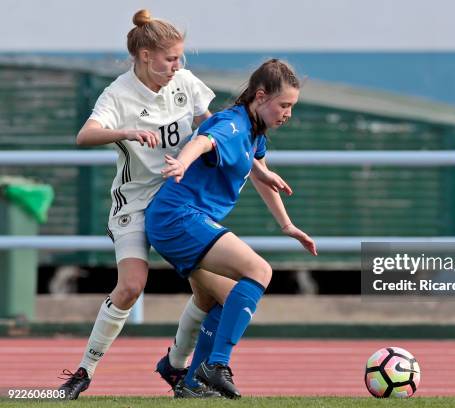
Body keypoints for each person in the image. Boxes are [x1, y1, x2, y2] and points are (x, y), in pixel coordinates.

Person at [57, 10, 290, 400]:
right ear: (145, 55)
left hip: (180, 203)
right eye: (170, 59)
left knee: (215, 294)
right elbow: (85, 135)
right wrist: (126, 131)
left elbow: (217, 130)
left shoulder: (184, 82)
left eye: (181, 58)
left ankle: (177, 370)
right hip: (135, 204)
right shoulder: (119, 94)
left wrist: (258, 168)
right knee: (131, 287)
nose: (178, 66)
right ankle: (83, 372)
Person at [145, 58, 317, 399]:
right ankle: (216, 365)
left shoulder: (255, 134)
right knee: (259, 270)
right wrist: (183, 161)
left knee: (223, 299)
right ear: (260, 95)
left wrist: (287, 224)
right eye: (284, 105)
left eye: (292, 107)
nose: (288, 114)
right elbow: (205, 141)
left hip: (184, 220)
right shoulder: (233, 123)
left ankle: (190, 381)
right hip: (177, 218)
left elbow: (261, 176)